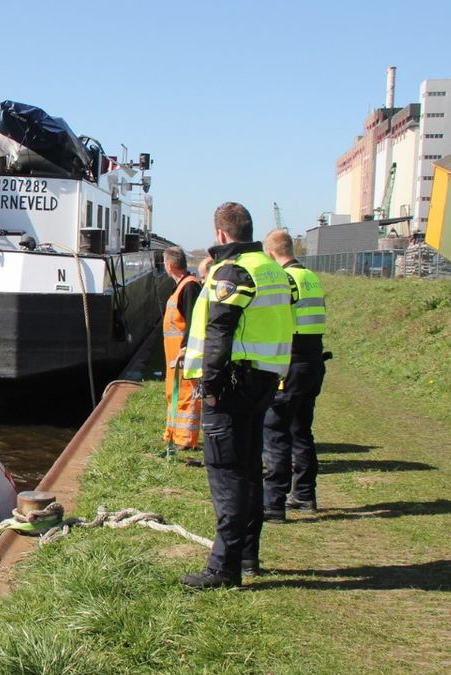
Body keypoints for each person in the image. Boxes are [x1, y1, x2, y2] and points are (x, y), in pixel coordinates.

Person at [180, 203, 294, 588]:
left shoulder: (234, 272)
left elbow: (219, 332)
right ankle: (247, 555)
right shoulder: (273, 270)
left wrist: (210, 389)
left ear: (222, 235)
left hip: (231, 385)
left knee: (227, 475)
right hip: (262, 381)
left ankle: (223, 569)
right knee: (247, 471)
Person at [261, 229, 328, 520]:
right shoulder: (310, 277)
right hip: (313, 361)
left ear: (272, 254)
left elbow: (275, 320)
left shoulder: (286, 280)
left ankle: (273, 502)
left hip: (292, 362)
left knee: (275, 431)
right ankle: (304, 494)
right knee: (302, 431)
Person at [161, 246, 203, 457]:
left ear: (169, 266)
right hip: (173, 356)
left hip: (182, 355)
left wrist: (186, 348)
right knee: (174, 394)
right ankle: (173, 434)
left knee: (186, 394)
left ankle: (185, 440)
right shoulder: (182, 286)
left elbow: (193, 321)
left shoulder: (189, 287)